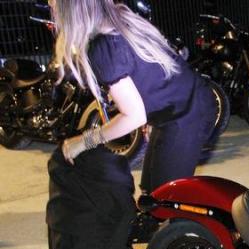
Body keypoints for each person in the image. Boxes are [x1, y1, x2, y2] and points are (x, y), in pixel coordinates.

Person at [50, 0, 216, 192]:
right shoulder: (120, 19)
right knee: (151, 191)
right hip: (180, 105)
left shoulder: (104, 48)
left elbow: (133, 117)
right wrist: (153, 117)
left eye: (54, 4)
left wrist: (84, 142)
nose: (52, 8)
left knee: (166, 196)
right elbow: (151, 72)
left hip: (187, 113)